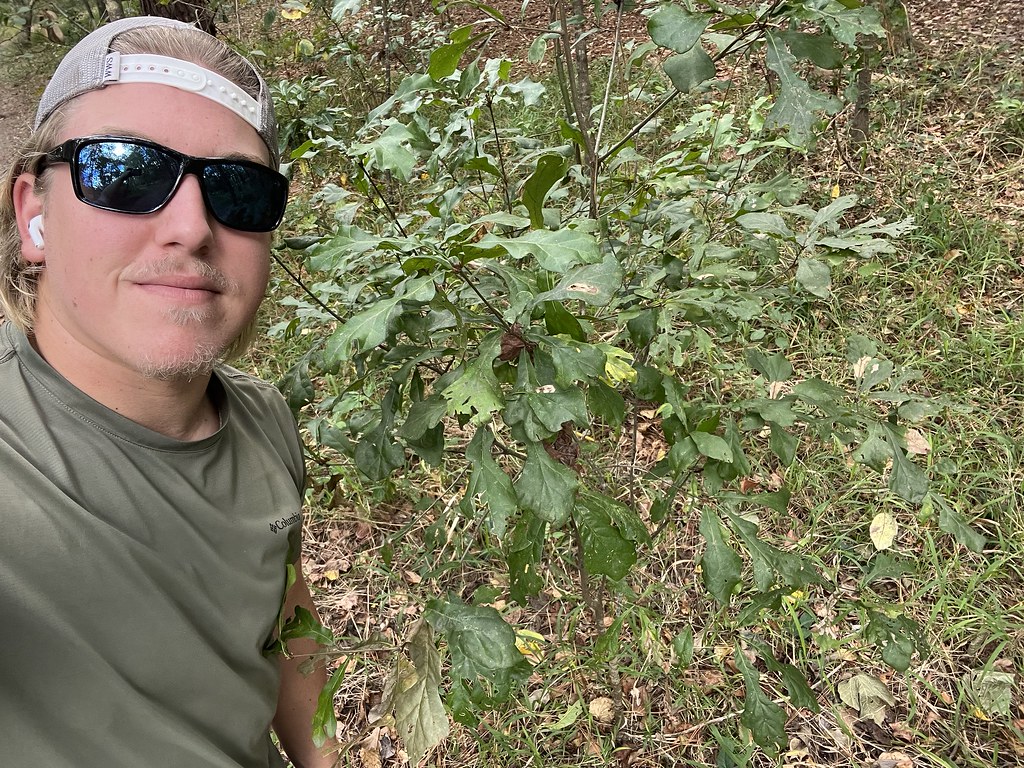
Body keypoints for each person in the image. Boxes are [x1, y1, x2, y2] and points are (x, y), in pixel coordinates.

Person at [0, 16, 337, 768]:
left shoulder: (262, 418)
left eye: (238, 191)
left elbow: (284, 617)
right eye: (126, 171)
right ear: (35, 215)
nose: (191, 225)